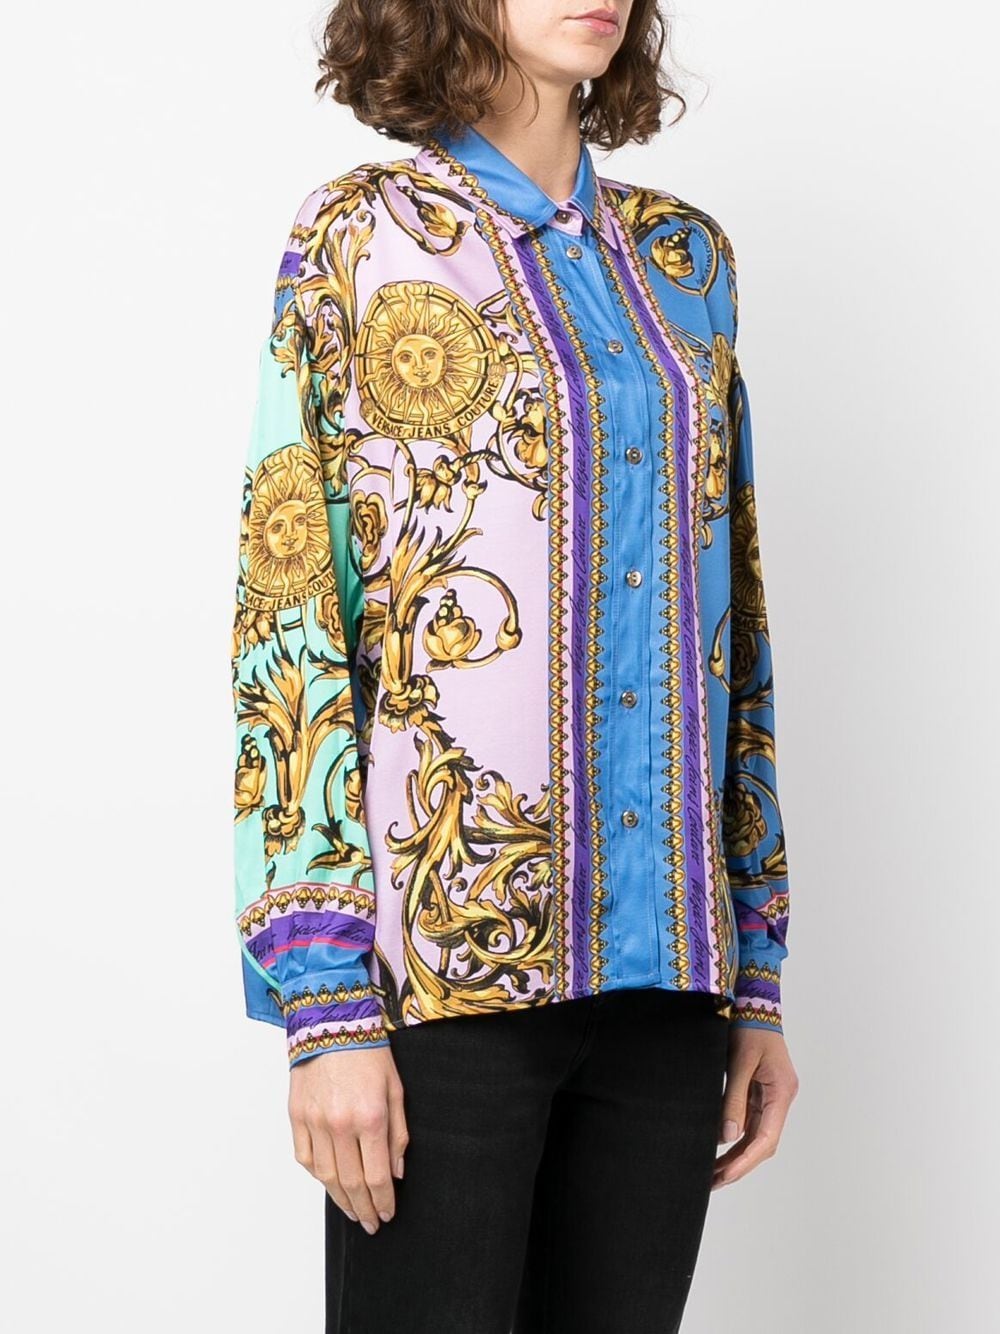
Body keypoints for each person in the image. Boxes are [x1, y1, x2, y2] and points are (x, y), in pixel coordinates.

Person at [230, 2, 800, 1330]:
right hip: (445, 978)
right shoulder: (360, 237)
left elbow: (735, 618)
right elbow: (290, 607)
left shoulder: (687, 262)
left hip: (670, 980)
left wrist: (759, 976)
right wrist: (325, 1005)